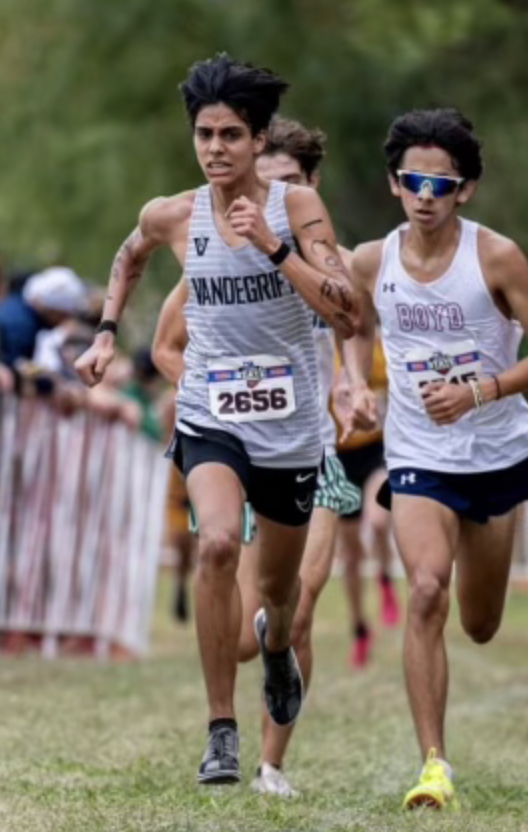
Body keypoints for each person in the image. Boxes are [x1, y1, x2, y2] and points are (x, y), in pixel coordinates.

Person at [75, 55, 362, 786]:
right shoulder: (173, 213)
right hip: (211, 410)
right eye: (204, 134)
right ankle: (221, 730)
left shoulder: (296, 211)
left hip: (292, 425)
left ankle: (274, 648)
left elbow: (347, 310)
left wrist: (274, 248)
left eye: (231, 135)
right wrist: (107, 329)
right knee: (215, 548)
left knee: (279, 594)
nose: (214, 149)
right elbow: (130, 255)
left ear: (258, 139)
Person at [337, 108, 528, 811]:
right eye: (413, 181)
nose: (426, 195)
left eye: (442, 184)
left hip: (495, 451)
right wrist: (354, 383)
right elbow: (351, 320)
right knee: (428, 590)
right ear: (394, 185)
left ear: (464, 190)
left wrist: (479, 392)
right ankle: (433, 765)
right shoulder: (371, 259)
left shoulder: (496, 257)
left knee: (480, 624)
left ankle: (491, 531)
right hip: (417, 451)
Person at [151, 115, 364, 796]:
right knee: (246, 632)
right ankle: (237, 707)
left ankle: (272, 766)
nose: (268, 198)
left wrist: (352, 384)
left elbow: (350, 337)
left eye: (289, 182)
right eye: (262, 182)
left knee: (298, 606)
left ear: (311, 186)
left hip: (312, 447)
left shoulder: (329, 253)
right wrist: (207, 390)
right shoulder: (218, 242)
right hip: (238, 443)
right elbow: (169, 342)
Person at [331, 339, 398, 668]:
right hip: (340, 457)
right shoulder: (322, 349)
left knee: (378, 520)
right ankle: (359, 628)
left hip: (376, 451)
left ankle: (385, 579)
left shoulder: (380, 347)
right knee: (351, 555)